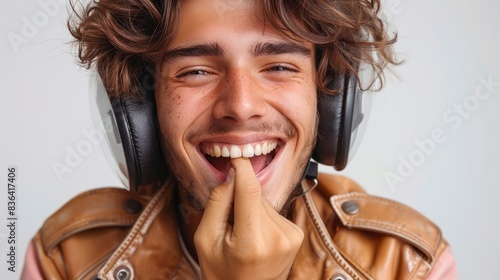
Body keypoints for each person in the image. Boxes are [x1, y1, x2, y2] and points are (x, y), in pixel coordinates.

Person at [22, 0, 457, 279]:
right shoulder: (67, 258)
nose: (241, 105)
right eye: (195, 71)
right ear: (142, 106)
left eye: (280, 66)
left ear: (328, 97)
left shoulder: (411, 265)